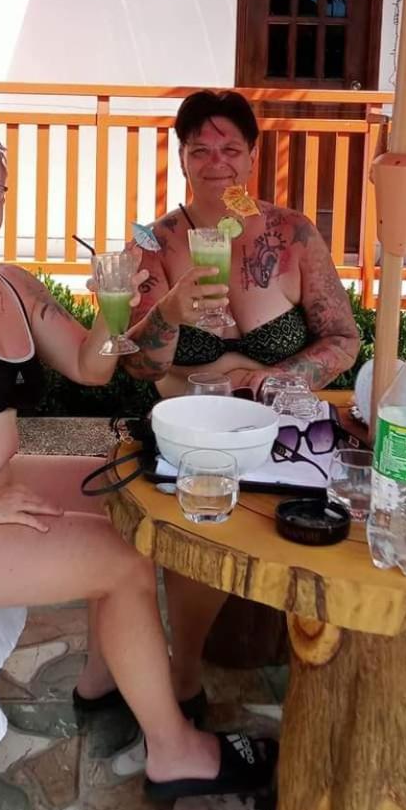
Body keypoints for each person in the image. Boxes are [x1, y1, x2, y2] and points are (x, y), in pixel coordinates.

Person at [0, 131, 275, 800]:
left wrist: (128, 308)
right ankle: (174, 753)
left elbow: (90, 365)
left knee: (126, 493)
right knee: (122, 564)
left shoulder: (13, 286)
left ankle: (103, 682)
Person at [125, 90, 360, 706]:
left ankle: (307, 657)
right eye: (199, 150)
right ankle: (185, 673)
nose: (216, 162)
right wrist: (169, 314)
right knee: (197, 538)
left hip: (280, 427)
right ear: (182, 158)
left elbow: (343, 338)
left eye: (230, 148)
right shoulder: (154, 244)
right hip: (190, 432)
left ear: (253, 155)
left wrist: (281, 377)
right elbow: (138, 367)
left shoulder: (293, 234)